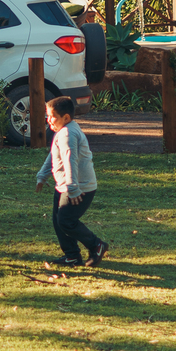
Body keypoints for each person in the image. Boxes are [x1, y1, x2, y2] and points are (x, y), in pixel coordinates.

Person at [36, 95, 108, 267]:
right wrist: (42, 175)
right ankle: (72, 256)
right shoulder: (63, 131)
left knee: (66, 221)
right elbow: (54, 156)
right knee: (58, 220)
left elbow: (70, 160)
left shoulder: (68, 134)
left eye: (52, 116)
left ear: (66, 117)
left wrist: (73, 188)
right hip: (65, 185)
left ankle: (96, 245)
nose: (48, 120)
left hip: (79, 187)